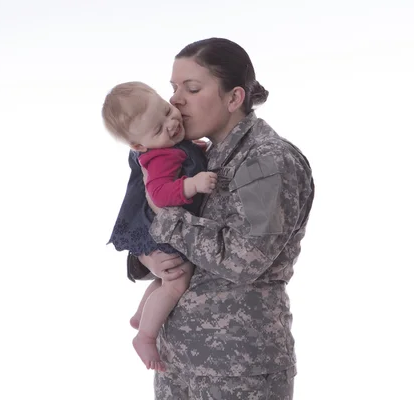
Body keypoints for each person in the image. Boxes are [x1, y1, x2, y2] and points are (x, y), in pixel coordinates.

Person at [127, 38, 315, 399]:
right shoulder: (191, 159)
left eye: (192, 88)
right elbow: (171, 243)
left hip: (237, 370)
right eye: (174, 87)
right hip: (177, 362)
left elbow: (243, 259)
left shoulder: (266, 162)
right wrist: (148, 256)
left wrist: (162, 223)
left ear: (234, 98)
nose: (175, 100)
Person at [102, 81, 218, 372]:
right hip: (166, 231)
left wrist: (195, 149)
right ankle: (145, 335)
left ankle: (142, 314)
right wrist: (192, 183)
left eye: (167, 111)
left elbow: (183, 154)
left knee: (163, 280)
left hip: (168, 231)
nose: (170, 124)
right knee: (176, 282)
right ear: (139, 146)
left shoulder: (169, 145)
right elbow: (160, 195)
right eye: (157, 128)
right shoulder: (160, 157)